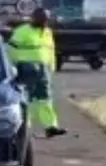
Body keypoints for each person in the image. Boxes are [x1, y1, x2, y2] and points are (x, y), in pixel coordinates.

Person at [7, 8, 67, 137]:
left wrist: (52, 66)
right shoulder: (22, 31)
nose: (43, 21)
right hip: (26, 68)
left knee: (45, 98)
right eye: (41, 18)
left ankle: (50, 126)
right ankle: (24, 127)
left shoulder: (47, 32)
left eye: (45, 19)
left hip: (43, 69)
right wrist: (12, 67)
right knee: (26, 98)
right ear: (34, 18)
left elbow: (50, 50)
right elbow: (10, 49)